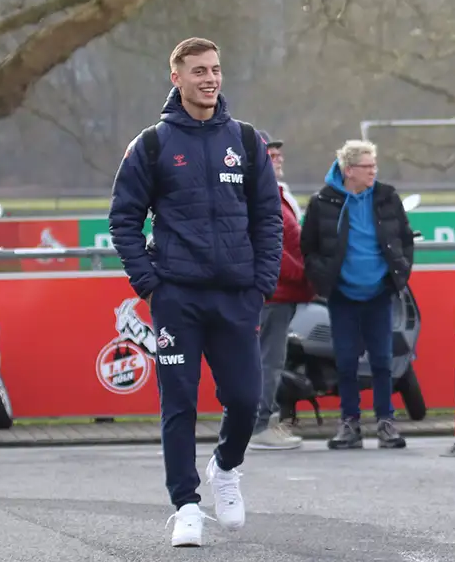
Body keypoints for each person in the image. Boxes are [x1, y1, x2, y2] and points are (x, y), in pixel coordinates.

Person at [108, 37, 283, 548]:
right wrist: (150, 284)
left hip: (236, 297)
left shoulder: (246, 141)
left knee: (247, 400)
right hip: (176, 298)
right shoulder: (153, 144)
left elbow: (268, 219)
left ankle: (225, 468)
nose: (210, 78)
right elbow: (123, 219)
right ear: (176, 78)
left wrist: (259, 286)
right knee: (179, 404)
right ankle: (186, 505)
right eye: (199, 70)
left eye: (216, 69)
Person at [299, 139, 415, 450]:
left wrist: (400, 273)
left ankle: (386, 423)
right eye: (367, 166)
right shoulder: (323, 201)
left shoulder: (387, 196)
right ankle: (349, 424)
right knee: (346, 362)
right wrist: (322, 278)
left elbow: (404, 238)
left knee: (382, 360)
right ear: (349, 170)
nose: (373, 171)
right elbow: (308, 246)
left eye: (374, 165)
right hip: (342, 296)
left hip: (379, 293)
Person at [250, 138, 314, 450]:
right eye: (269, 154)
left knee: (268, 360)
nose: (277, 159)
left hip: (280, 291)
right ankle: (259, 425)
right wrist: (306, 273)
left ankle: (261, 422)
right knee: (268, 361)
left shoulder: (275, 193)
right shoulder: (260, 195)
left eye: (278, 153)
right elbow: (274, 250)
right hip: (273, 292)